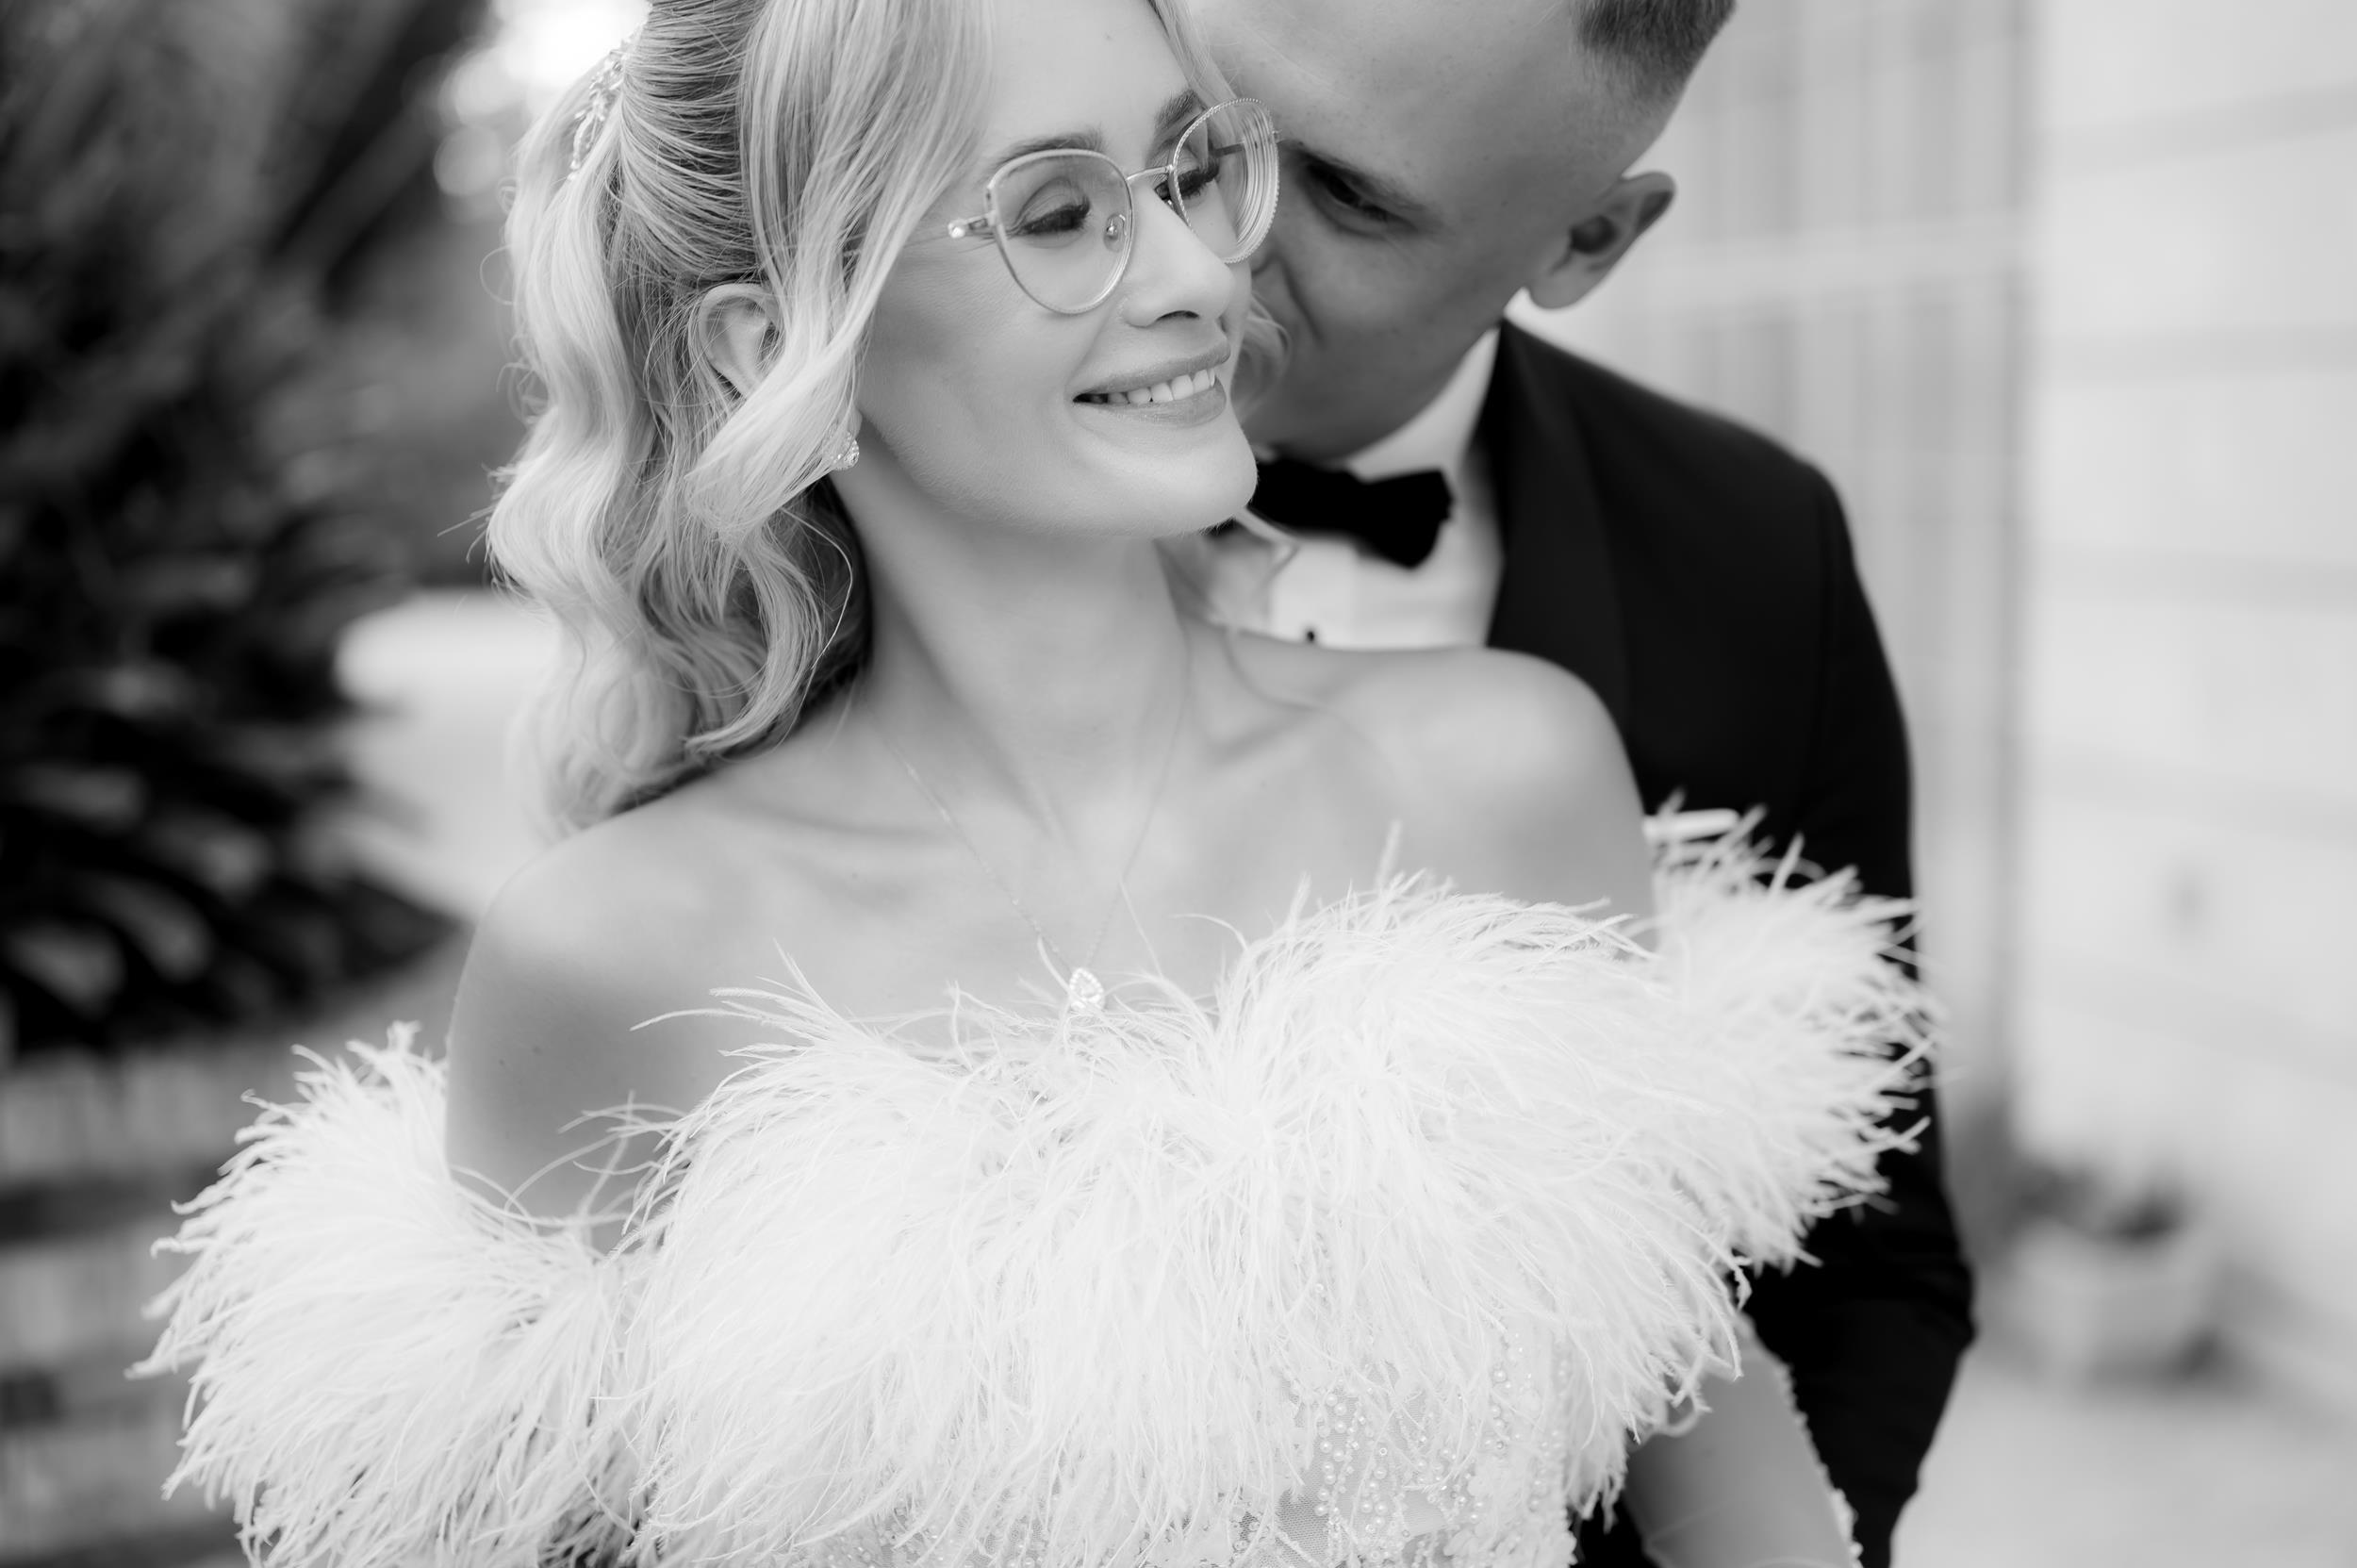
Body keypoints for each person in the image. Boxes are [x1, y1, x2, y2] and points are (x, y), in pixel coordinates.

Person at [140, 1, 1928, 1565]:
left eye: (1189, 171)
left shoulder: (1511, 770)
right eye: (1061, 213)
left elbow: (1711, 1435)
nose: (1203, 273)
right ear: (771, 348)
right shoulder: (607, 955)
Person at [1183, 3, 1976, 1565]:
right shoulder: (894, 483)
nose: (1212, 236)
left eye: (1345, 197)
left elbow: (1874, 1256)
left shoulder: (1756, 554)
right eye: (1203, 125)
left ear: (1590, 239)